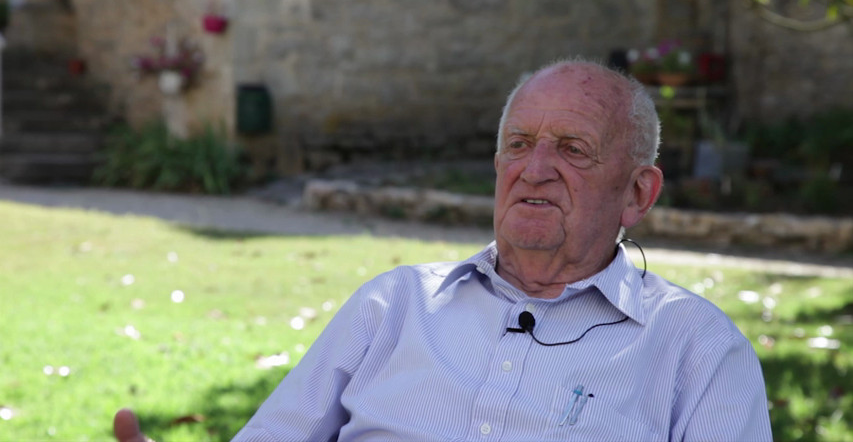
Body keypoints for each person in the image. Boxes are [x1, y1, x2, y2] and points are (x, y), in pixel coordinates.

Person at [115, 59, 772, 441]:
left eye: (571, 150)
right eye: (518, 145)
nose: (533, 169)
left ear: (636, 193)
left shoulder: (696, 351)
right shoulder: (394, 304)